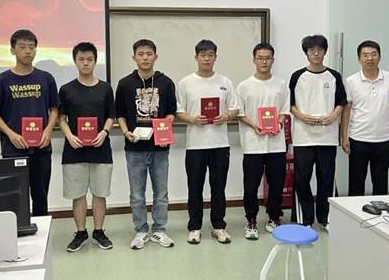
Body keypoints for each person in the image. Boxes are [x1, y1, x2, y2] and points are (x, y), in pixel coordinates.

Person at [0, 29, 59, 216]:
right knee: (15, 197)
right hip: (14, 148)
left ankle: (41, 231)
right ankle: (17, 231)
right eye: (22, 47)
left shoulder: (46, 78)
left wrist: (48, 131)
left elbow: (54, 109)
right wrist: (11, 134)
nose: (28, 51)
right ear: (12, 50)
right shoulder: (2, 80)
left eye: (32, 47)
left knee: (41, 196)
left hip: (41, 148)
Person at [115, 39, 177, 250]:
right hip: (135, 149)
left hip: (160, 147)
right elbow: (120, 114)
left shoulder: (166, 82)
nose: (145, 58)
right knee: (137, 194)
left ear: (155, 56)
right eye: (140, 54)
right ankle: (141, 231)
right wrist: (126, 132)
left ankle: (159, 229)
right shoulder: (125, 83)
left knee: (161, 193)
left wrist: (165, 124)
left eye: (149, 54)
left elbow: (171, 112)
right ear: (134, 57)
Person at [176, 39, 239, 245]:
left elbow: (235, 108)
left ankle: (218, 226)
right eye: (202, 55)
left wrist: (226, 116)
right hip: (195, 145)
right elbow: (178, 111)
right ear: (196, 57)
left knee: (218, 187)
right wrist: (192, 119)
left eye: (210, 55)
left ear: (215, 57)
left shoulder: (225, 82)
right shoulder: (186, 83)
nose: (206, 58)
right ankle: (194, 227)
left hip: (220, 144)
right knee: (194, 187)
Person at [59, 42, 115, 252]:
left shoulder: (105, 88)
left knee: (100, 194)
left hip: (101, 148)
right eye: (81, 59)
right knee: (78, 194)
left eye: (89, 59)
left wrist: (104, 132)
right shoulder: (66, 89)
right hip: (75, 150)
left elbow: (111, 116)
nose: (85, 63)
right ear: (75, 61)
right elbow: (61, 118)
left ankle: (99, 231)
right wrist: (69, 136)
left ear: (95, 61)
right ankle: (81, 232)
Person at [289, 34, 347, 228]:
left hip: (328, 137)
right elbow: (290, 104)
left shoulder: (334, 76)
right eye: (311, 50)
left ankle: (326, 218)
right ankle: (304, 219)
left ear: (324, 51)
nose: (316, 53)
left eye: (319, 49)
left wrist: (334, 115)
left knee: (326, 178)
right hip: (303, 137)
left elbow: (341, 102)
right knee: (302, 179)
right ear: (306, 53)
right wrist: (301, 116)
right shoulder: (297, 76)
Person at [236, 42, 290, 240]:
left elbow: (284, 110)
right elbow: (240, 113)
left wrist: (279, 123)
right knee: (251, 186)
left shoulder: (281, 84)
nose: (264, 61)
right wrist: (255, 125)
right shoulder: (244, 86)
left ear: (273, 60)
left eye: (268, 58)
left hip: (276, 144)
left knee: (276, 184)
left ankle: (274, 217)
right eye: (260, 58)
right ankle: (251, 220)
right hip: (253, 144)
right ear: (254, 60)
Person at [341, 40, 389, 196]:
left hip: (383, 139)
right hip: (358, 138)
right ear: (359, 58)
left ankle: (379, 211)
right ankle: (354, 212)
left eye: (373, 54)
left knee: (381, 183)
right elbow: (346, 110)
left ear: (379, 57)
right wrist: (344, 137)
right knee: (356, 183)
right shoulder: (351, 81)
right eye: (365, 55)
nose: (370, 58)